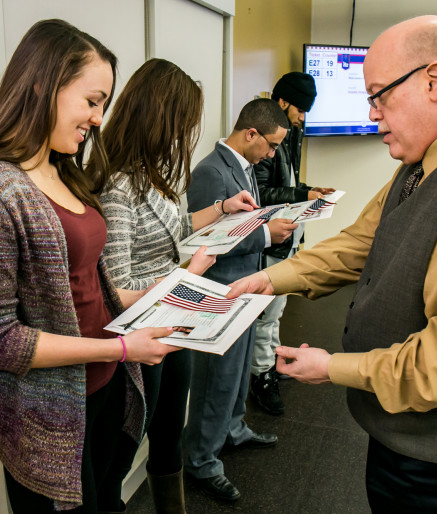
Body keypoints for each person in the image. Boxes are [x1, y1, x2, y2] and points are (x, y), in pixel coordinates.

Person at [229, 15, 437, 513]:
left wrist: (333, 367)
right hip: (408, 429)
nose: (372, 113)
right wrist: (271, 279)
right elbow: (362, 240)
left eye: (379, 95)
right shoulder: (428, 158)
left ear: (433, 80)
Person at [0, 20, 179, 513]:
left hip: (107, 385)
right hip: (48, 414)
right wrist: (117, 347)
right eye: (92, 101)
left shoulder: (65, 170)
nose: (98, 118)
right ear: (43, 85)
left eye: (104, 105)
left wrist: (164, 296)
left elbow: (90, 288)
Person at [94, 58, 258, 513]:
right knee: (125, 447)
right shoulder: (116, 186)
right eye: (182, 124)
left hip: (171, 323)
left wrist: (223, 208)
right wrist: (189, 275)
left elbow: (175, 228)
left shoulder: (151, 174)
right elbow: (118, 290)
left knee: (168, 436)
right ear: (158, 118)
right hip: (139, 335)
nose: (184, 136)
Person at [183, 98, 297, 502]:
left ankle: (232, 429)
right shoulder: (211, 172)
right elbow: (203, 242)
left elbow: (243, 221)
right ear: (251, 133)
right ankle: (201, 462)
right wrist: (267, 235)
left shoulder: (244, 168)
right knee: (216, 379)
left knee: (237, 373)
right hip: (221, 289)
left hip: (246, 285)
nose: (272, 154)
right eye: (270, 145)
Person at [250, 72, 336, 416]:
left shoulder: (289, 134)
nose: (303, 117)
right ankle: (261, 376)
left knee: (276, 312)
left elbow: (286, 182)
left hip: (287, 237)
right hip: (269, 241)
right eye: (300, 109)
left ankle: (270, 363)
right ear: (283, 101)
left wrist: (308, 190)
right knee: (265, 316)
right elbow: (261, 194)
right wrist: (302, 194)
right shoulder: (268, 136)